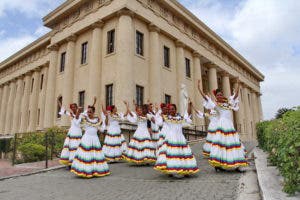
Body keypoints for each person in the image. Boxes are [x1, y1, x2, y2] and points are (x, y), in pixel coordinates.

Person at [197, 79, 248, 172]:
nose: (219, 96)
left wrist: (238, 85)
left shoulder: (228, 104)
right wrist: (199, 88)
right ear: (216, 97)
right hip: (222, 125)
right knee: (222, 144)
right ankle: (219, 164)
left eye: (220, 94)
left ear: (222, 95)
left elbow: (236, 96)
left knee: (232, 144)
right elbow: (205, 98)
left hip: (229, 125)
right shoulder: (215, 105)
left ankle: (235, 163)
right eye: (217, 95)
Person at [154, 103, 199, 177]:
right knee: (171, 154)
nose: (172, 110)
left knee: (183, 154)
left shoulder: (180, 118)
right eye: (170, 109)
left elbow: (188, 115)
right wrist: (158, 110)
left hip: (180, 137)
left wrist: (189, 106)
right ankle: (170, 170)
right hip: (171, 138)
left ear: (175, 109)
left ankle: (185, 169)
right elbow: (159, 118)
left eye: (173, 109)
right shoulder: (166, 118)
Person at [70, 105, 110, 178]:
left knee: (95, 155)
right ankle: (85, 171)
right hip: (86, 139)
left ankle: (95, 171)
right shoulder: (84, 119)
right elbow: (76, 121)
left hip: (95, 139)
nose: (89, 113)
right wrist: (78, 111)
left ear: (94, 112)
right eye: (88, 112)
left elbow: (103, 127)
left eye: (90, 112)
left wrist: (106, 117)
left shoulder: (97, 120)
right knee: (86, 154)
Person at [58, 101, 82, 167]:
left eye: (74, 107)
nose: (73, 108)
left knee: (77, 146)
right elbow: (63, 110)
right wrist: (59, 102)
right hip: (72, 131)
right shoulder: (70, 114)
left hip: (78, 132)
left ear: (77, 107)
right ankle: (71, 162)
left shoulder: (80, 115)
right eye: (72, 107)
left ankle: (77, 161)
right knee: (71, 146)